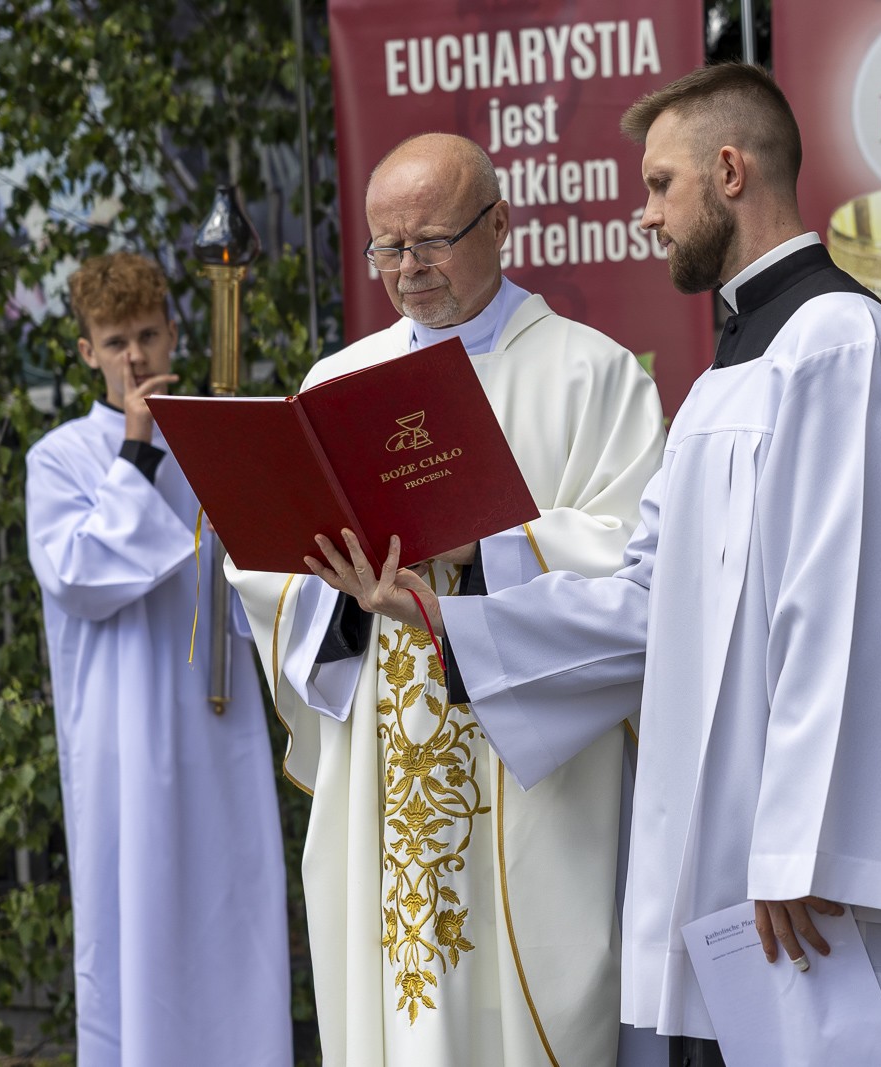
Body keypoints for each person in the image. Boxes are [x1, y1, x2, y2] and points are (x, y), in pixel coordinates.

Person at [310, 63, 881, 1067]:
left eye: (661, 184)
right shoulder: (729, 373)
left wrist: (802, 847)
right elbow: (648, 601)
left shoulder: (835, 342)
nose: (646, 212)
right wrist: (442, 619)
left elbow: (855, 617)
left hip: (813, 882)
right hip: (746, 868)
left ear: (730, 172)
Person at [226, 133, 666, 1067]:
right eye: (386, 248)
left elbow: (639, 565)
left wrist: (481, 546)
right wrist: (341, 585)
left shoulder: (592, 374)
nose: (407, 269)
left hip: (531, 785)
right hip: (384, 767)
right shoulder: (337, 381)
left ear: (499, 224)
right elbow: (268, 574)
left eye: (429, 241)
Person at [25, 252, 292, 1067]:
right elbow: (79, 576)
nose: (135, 357)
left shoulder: (212, 441)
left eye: (147, 334)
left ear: (175, 331)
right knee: (135, 922)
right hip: (124, 738)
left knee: (233, 913)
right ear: (87, 353)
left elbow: (266, 570)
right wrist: (138, 446)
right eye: (115, 342)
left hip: (219, 725)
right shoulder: (60, 457)